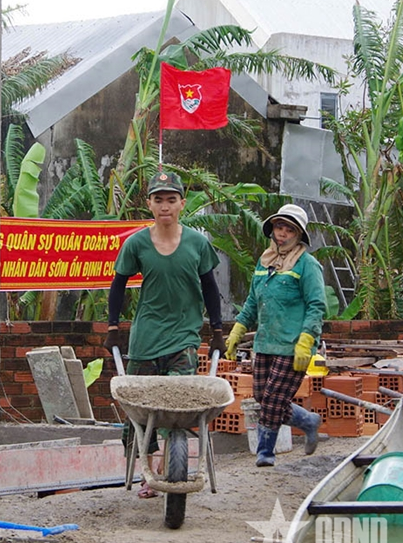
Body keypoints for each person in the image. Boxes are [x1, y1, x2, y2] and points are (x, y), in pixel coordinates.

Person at [104, 169, 225, 497]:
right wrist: (113, 328)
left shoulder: (198, 244)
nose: (165, 206)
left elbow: (210, 288)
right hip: (145, 338)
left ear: (182, 203)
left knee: (180, 407)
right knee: (138, 413)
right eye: (159, 200)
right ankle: (149, 469)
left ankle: (164, 470)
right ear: (150, 205)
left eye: (171, 199)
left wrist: (217, 330)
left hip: (184, 338)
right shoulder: (137, 243)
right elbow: (117, 286)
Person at [225, 203, 325, 467]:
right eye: (279, 227)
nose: (282, 233)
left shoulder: (307, 264)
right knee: (262, 396)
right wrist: (238, 328)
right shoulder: (265, 261)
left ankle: (265, 452)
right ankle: (307, 421)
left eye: (289, 229)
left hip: (293, 345)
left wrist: (307, 340)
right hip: (265, 342)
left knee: (272, 400)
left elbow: (317, 305)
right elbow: (252, 302)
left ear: (298, 235)